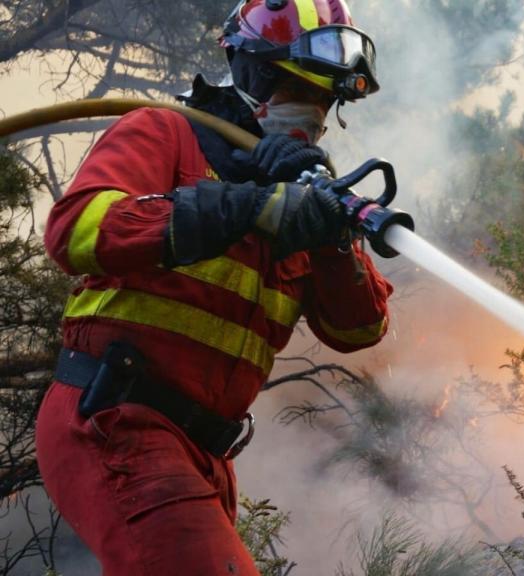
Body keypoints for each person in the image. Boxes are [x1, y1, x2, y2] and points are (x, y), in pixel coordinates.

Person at [35, 1, 391, 574]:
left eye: (324, 98)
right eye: (295, 86)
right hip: (116, 418)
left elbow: (359, 328)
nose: (310, 108)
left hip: (204, 453)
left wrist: (331, 238)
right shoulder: (167, 133)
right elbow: (75, 229)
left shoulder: (299, 194)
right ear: (251, 71)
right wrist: (247, 207)